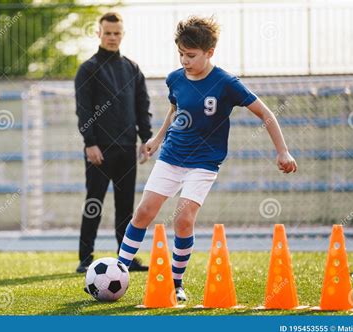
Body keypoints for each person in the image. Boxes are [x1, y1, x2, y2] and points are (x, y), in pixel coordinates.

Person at [117, 16, 298, 301]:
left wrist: (282, 151)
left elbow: (267, 114)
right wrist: (157, 138)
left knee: (183, 220)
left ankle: (176, 284)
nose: (184, 61)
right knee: (143, 213)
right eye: (181, 54)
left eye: (191, 55)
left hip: (203, 163)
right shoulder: (175, 78)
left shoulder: (226, 83)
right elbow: (175, 110)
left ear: (209, 52)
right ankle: (118, 271)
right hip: (171, 155)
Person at [75, 12, 152, 273]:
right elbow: (83, 110)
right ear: (98, 33)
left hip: (127, 149)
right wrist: (90, 143)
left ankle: (126, 258)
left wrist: (146, 139)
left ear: (122, 35)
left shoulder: (132, 68)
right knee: (94, 203)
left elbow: (143, 106)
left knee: (126, 207)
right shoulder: (88, 68)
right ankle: (85, 258)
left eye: (116, 33)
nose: (112, 37)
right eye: (107, 33)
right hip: (99, 150)